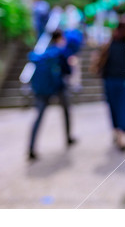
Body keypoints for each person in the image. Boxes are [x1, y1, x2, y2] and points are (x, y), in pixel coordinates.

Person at [28, 30, 76, 161]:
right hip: (59, 87)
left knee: (38, 117)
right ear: (60, 37)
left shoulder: (45, 53)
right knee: (66, 111)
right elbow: (68, 70)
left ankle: (31, 148)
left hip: (43, 89)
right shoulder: (61, 52)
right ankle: (68, 138)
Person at [93, 19, 125, 151]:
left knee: (114, 108)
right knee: (123, 108)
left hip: (110, 81)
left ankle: (117, 133)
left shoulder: (110, 45)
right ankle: (121, 135)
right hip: (122, 82)